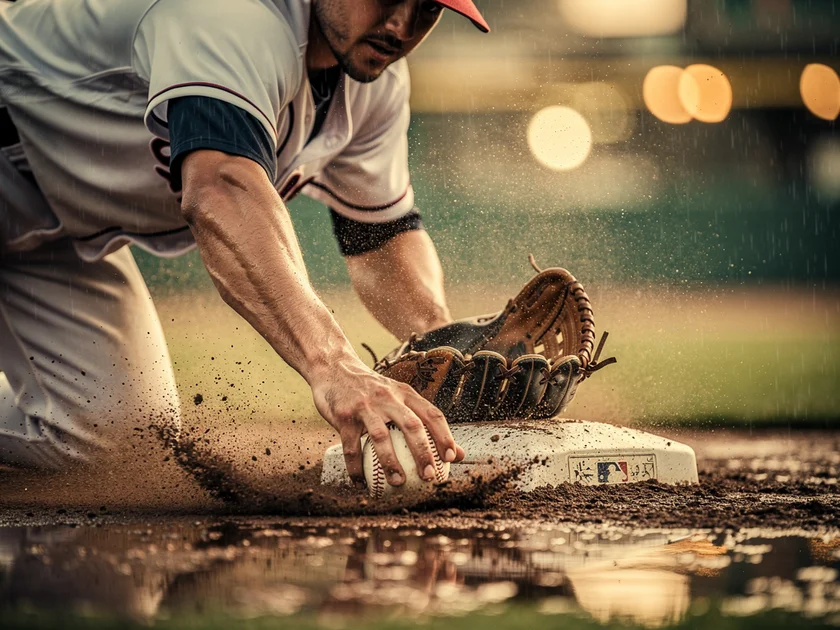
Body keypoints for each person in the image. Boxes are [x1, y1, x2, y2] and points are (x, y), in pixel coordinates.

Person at [0, 0, 490, 486]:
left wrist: (446, 350)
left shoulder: (372, 83)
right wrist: (333, 364)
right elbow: (220, 189)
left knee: (113, 434)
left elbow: (381, 238)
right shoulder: (232, 15)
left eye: (427, 7)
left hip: (49, 231)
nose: (402, 24)